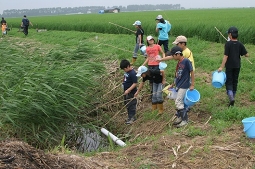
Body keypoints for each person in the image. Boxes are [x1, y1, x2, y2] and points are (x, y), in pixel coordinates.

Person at [218, 26, 249, 107]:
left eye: (228, 34)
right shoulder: (240, 44)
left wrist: (221, 67)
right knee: (235, 81)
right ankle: (233, 97)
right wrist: (244, 54)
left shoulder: (228, 44)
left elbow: (225, 56)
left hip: (229, 66)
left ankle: (231, 97)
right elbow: (247, 54)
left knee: (229, 81)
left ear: (230, 35)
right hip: (237, 66)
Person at [168, 46, 195, 127]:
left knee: (178, 101)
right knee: (178, 101)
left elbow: (192, 72)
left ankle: (185, 120)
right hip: (179, 85)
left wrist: (192, 84)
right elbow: (177, 75)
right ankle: (180, 117)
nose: (172, 57)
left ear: (178, 54)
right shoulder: (179, 62)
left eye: (173, 55)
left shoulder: (186, 61)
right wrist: (173, 84)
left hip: (184, 85)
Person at [120, 59, 138, 124]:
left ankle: (132, 118)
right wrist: (123, 83)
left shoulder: (133, 73)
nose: (124, 70)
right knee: (127, 104)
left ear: (128, 66)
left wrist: (128, 90)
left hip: (131, 92)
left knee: (131, 104)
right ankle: (129, 117)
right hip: (126, 91)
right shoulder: (126, 72)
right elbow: (125, 77)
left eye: (124, 69)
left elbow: (135, 83)